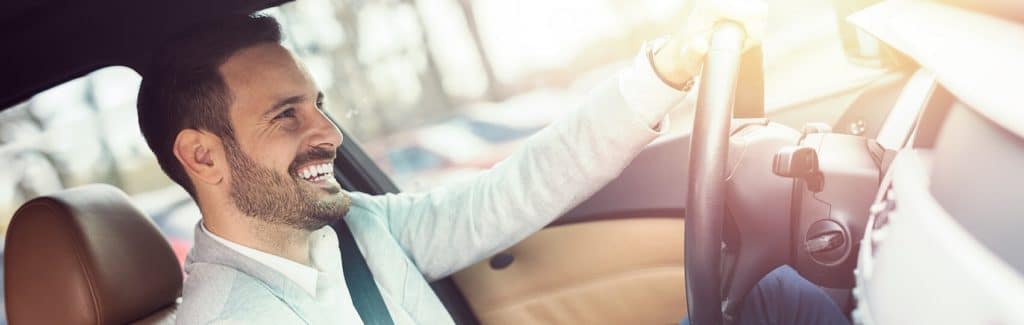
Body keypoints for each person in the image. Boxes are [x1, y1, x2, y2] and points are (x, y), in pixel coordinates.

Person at [135, 2, 763, 324]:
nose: (326, 131)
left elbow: (515, 191)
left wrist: (666, 72)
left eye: (318, 105)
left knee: (773, 297)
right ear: (202, 156)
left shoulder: (363, 229)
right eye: (286, 115)